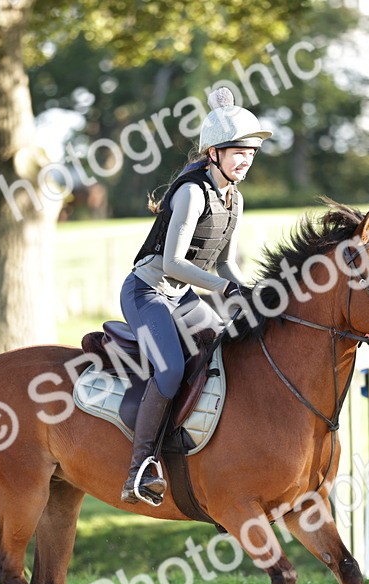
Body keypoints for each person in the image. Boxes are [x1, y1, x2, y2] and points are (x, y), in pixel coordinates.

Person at [118, 87, 271, 505]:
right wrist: (225, 289)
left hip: (182, 297)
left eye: (252, 153)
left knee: (227, 350)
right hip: (146, 293)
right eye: (238, 151)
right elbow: (170, 264)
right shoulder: (191, 193)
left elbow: (226, 266)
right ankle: (139, 469)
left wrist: (251, 297)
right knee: (168, 372)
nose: (246, 160)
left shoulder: (234, 199)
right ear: (213, 153)